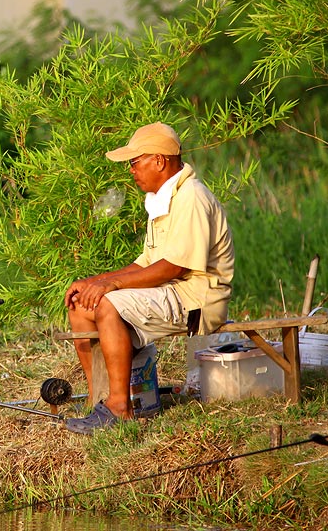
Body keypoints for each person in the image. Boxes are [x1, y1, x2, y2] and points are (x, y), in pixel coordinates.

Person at [63, 122, 234, 434]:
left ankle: (119, 407)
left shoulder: (191, 197)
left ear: (159, 160)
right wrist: (93, 282)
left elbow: (175, 268)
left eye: (134, 162)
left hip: (197, 300)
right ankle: (97, 399)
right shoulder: (163, 199)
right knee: (80, 304)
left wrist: (110, 285)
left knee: (109, 304)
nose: (130, 170)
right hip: (173, 292)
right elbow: (147, 263)